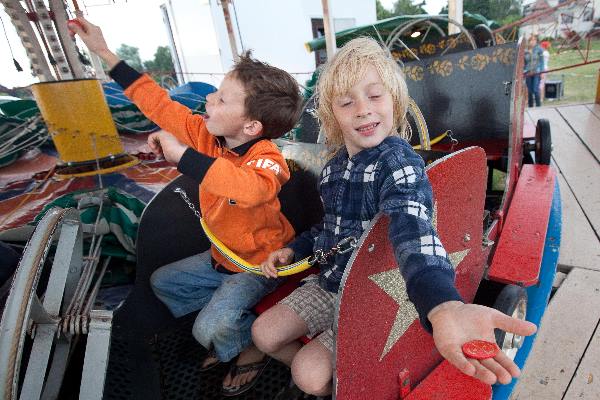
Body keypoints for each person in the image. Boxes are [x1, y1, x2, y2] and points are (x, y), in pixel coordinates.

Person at [251, 37, 537, 398]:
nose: (362, 110)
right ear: (332, 115)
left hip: (373, 295)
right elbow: (328, 229)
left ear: (394, 101)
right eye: (346, 102)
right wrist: (294, 249)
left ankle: (342, 384)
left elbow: (412, 225)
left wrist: (442, 304)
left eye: (375, 96)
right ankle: (341, 381)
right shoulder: (334, 169)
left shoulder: (398, 164)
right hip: (329, 283)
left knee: (307, 373)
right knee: (263, 333)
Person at [68, 17, 303, 396]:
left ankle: (246, 347)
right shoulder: (208, 135)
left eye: (222, 99)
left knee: (206, 329)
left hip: (258, 265)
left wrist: (182, 157)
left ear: (252, 127)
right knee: (164, 282)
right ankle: (232, 328)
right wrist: (103, 51)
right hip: (219, 259)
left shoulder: (267, 158)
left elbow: (250, 189)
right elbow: (159, 105)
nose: (209, 99)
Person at [524, 35, 545, 107]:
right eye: (531, 40)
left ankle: (538, 106)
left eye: (534, 40)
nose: (533, 42)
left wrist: (542, 72)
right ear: (529, 41)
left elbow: (542, 62)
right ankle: (530, 106)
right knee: (529, 91)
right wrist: (524, 72)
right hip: (528, 72)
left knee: (536, 90)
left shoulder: (539, 49)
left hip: (537, 72)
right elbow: (524, 63)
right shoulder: (525, 51)